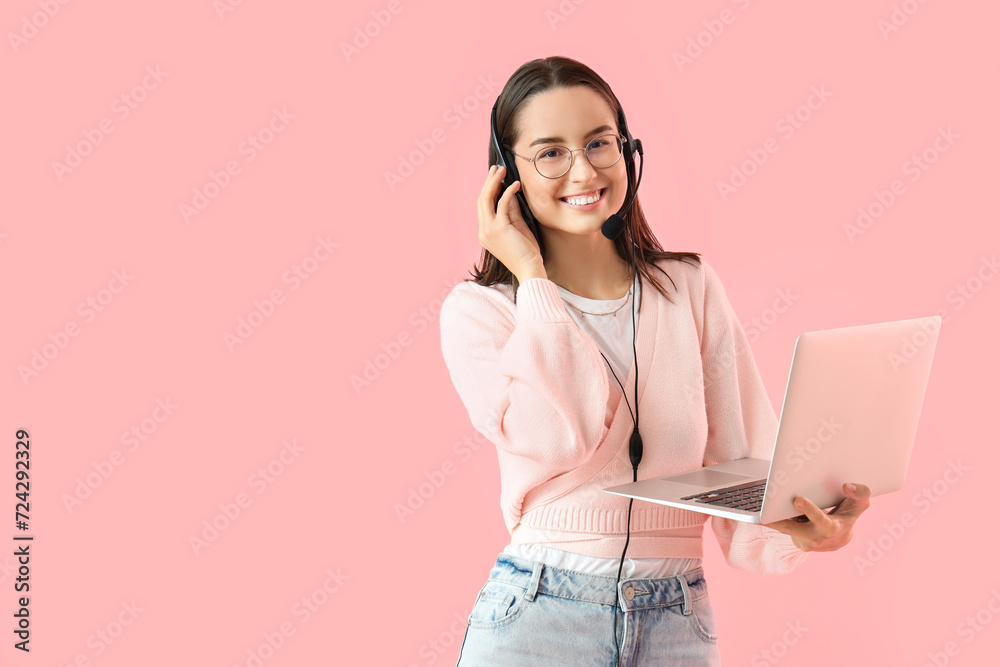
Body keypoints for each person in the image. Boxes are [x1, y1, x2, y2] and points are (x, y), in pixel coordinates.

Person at [438, 56, 872, 667]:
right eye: (551, 152)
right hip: (539, 613)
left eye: (599, 143)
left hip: (676, 618)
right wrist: (532, 277)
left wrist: (799, 526)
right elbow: (563, 437)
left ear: (628, 151)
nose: (583, 169)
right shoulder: (483, 312)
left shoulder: (686, 287)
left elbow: (742, 451)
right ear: (507, 175)